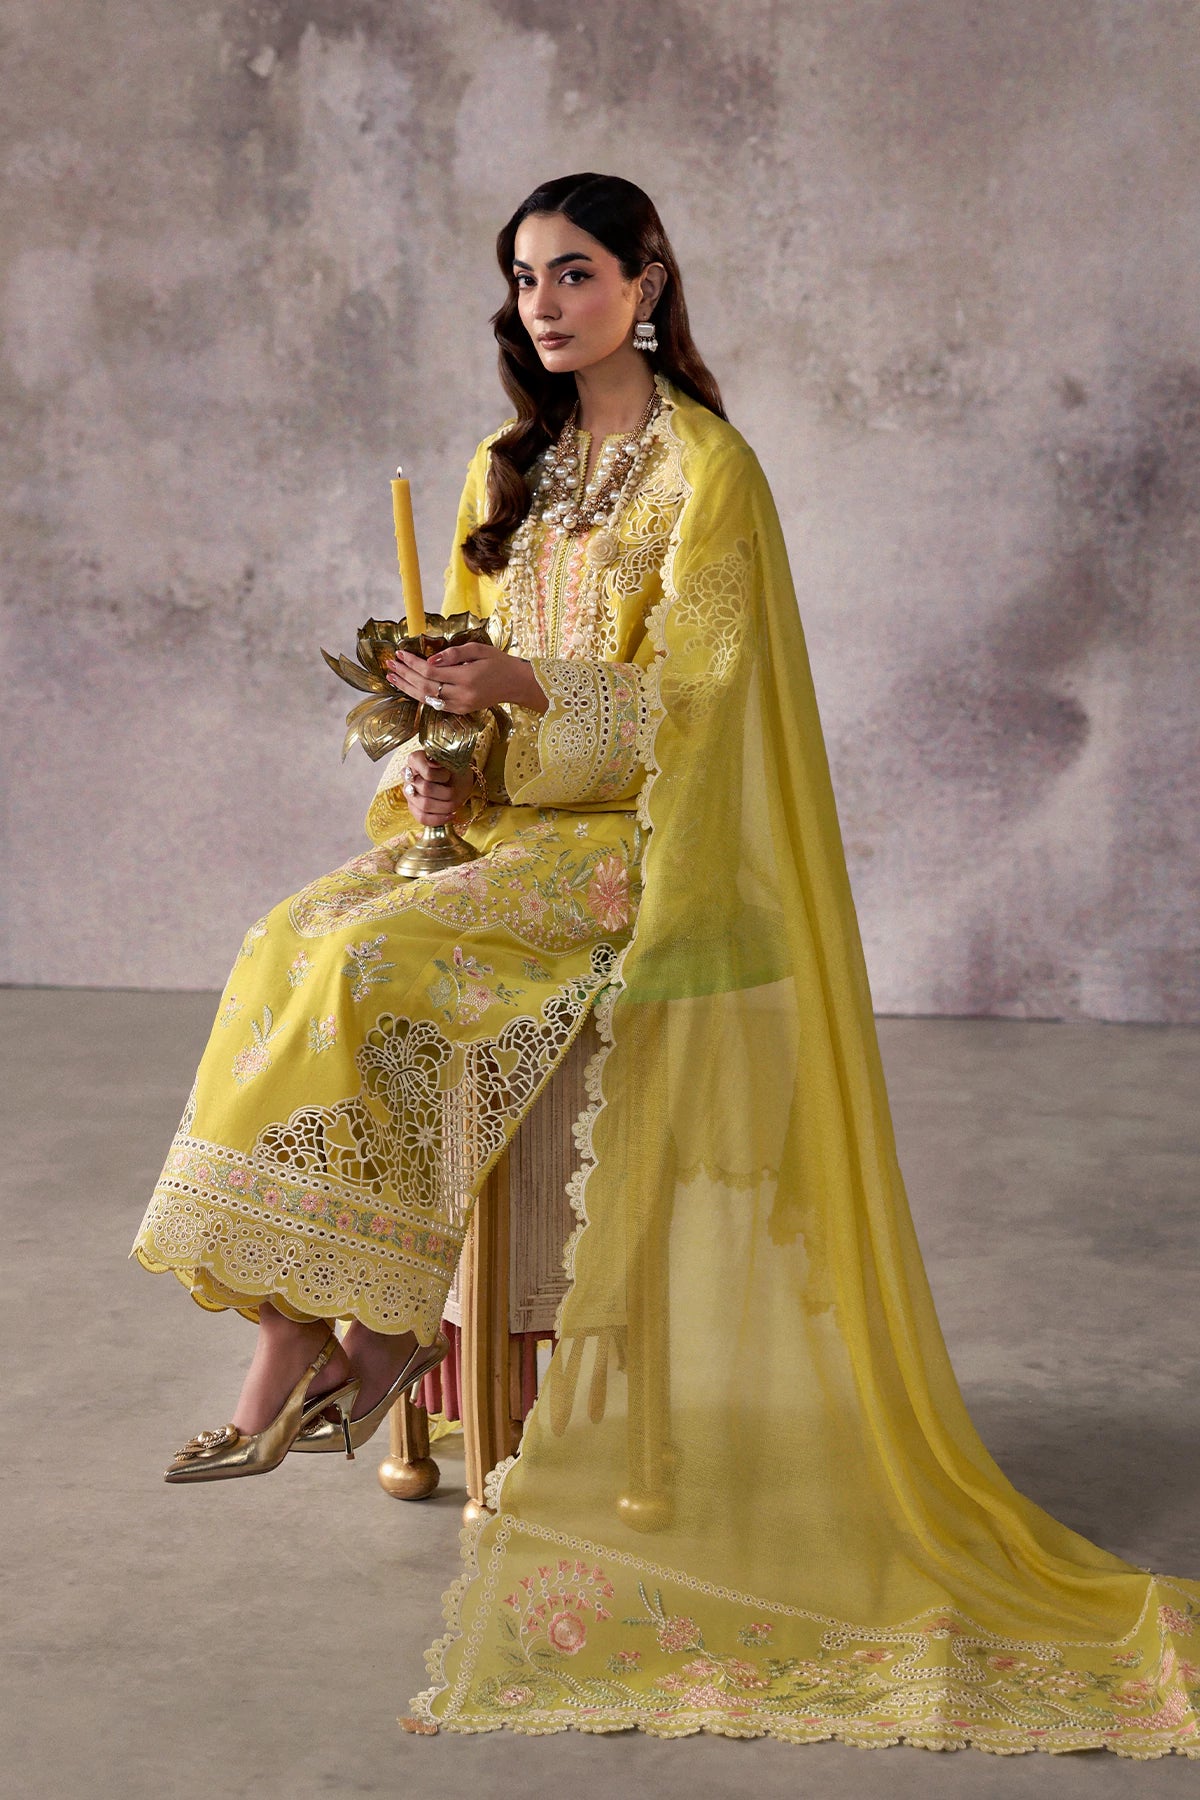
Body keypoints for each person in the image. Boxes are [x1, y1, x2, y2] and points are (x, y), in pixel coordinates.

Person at [132, 173, 1200, 1757]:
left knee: (362, 960)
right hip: (519, 833)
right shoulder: (510, 465)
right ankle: (311, 1320)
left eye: (575, 273)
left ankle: (368, 1339)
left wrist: (525, 689)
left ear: (647, 283)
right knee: (293, 934)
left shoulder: (710, 472)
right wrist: (444, 754)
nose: (545, 304)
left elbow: (703, 711)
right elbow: (474, 698)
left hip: (648, 847)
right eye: (525, 279)